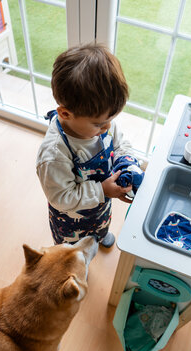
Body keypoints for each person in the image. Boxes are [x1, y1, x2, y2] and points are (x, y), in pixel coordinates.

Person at [36, 43, 144, 248]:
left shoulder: (102, 122)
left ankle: (99, 235)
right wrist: (102, 190)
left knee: (101, 225)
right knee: (73, 253)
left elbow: (121, 144)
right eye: (99, 124)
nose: (108, 127)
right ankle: (78, 261)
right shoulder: (54, 154)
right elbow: (61, 197)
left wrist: (126, 163)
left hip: (100, 207)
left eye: (111, 119)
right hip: (70, 222)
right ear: (65, 114)